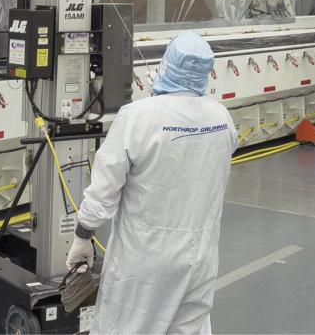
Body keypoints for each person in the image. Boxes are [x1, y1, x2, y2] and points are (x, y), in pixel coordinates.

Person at [66, 31, 235, 334]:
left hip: (145, 258)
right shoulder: (221, 117)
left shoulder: (137, 117)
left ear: (167, 65)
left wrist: (82, 237)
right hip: (201, 257)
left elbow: (104, 193)